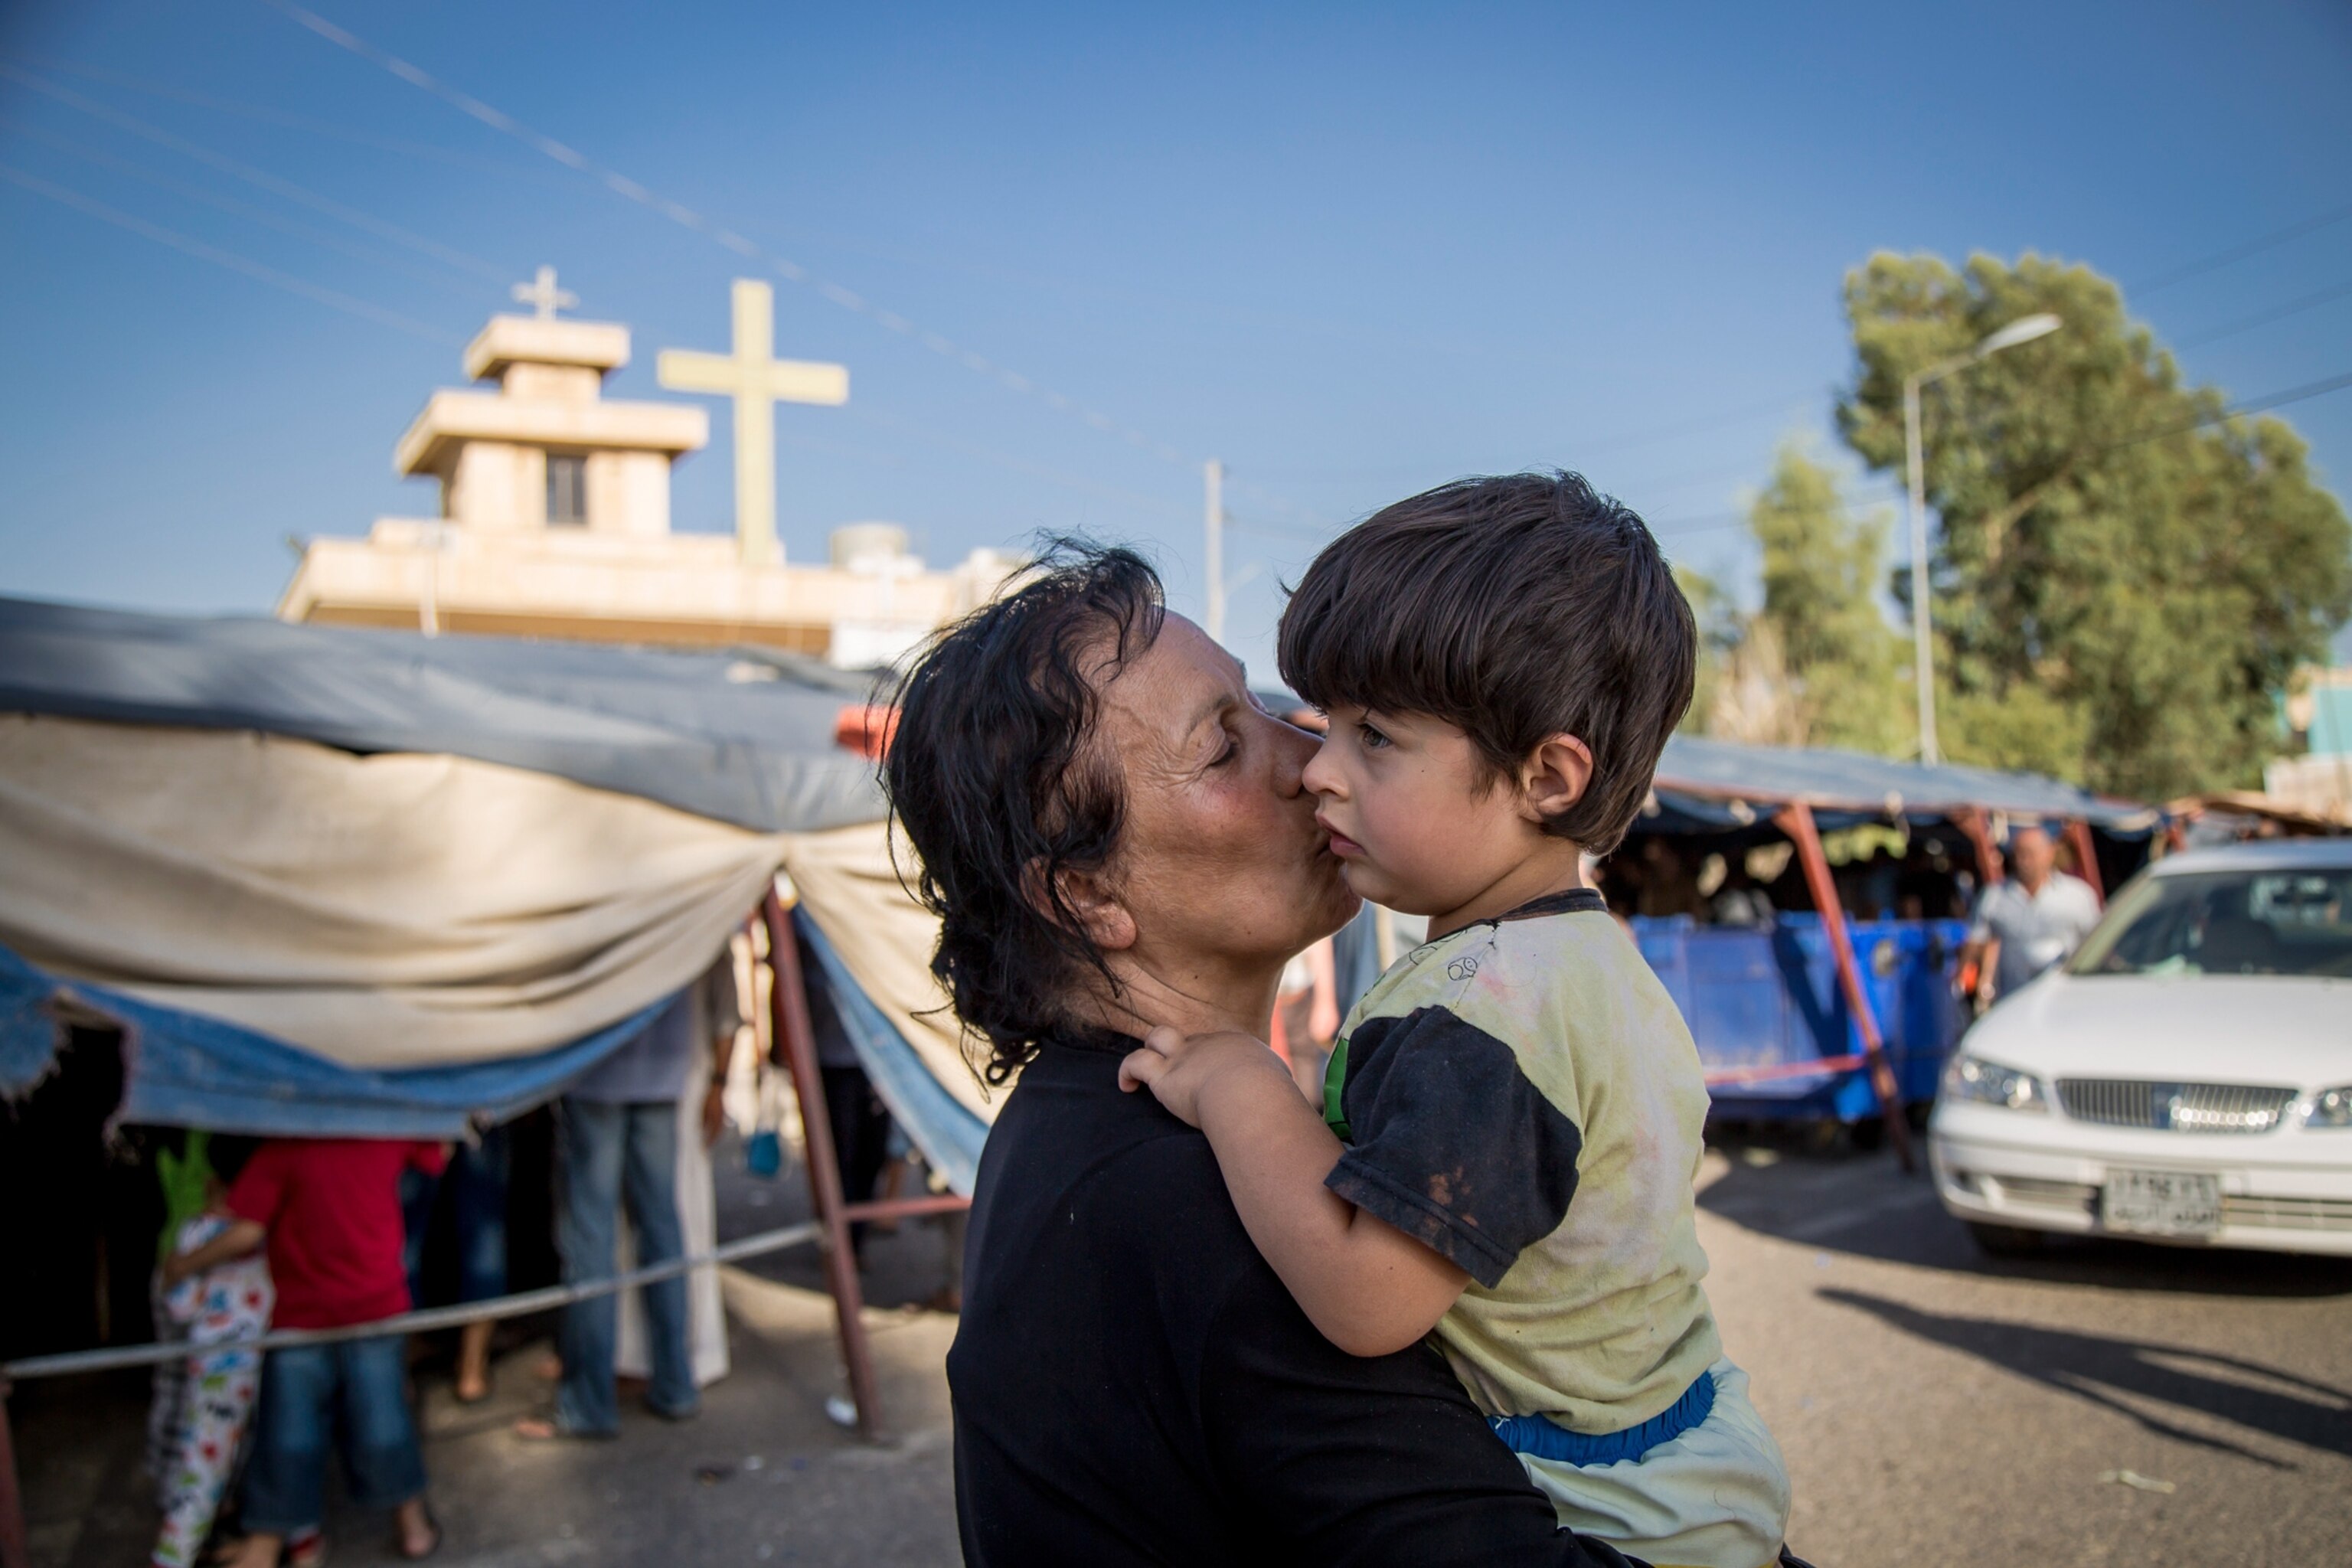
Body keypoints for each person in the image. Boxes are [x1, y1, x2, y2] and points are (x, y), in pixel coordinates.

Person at [884, 541, 1643, 1566]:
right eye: (1224, 748)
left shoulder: (1076, 1121)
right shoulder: (1210, 1206)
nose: (1311, 763)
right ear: (1087, 895)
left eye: (1266, 708)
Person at [1122, 474, 1792, 1568]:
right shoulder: (1582, 964)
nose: (1320, 772)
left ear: (1546, 775)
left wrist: (1242, 1083)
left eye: (1376, 737)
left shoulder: (1485, 1013)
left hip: (1606, 1514)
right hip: (1687, 1463)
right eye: (1327, 722)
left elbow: (1367, 1299)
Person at [164, 1136, 446, 1565]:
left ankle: (264, 1546)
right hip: (376, 1306)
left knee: (288, 1433)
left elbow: (249, 1229)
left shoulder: (281, 1149)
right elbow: (437, 1154)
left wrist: (183, 1264)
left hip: (302, 1316)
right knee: (386, 1420)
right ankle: (414, 1527)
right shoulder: (382, 1132)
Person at [522, 979, 705, 1439]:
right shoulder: (675, 906)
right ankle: (675, 1384)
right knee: (661, 1230)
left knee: (591, 1240)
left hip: (598, 1070)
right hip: (663, 1064)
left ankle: (588, 1403)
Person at [1960, 822, 2103, 1007]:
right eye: (2019, 854)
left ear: (2050, 853)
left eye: (2030, 854)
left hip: (2068, 1000)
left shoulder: (2078, 896)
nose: (2024, 861)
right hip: (2013, 1000)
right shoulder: (1995, 896)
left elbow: (2098, 943)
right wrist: (1969, 981)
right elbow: (1975, 942)